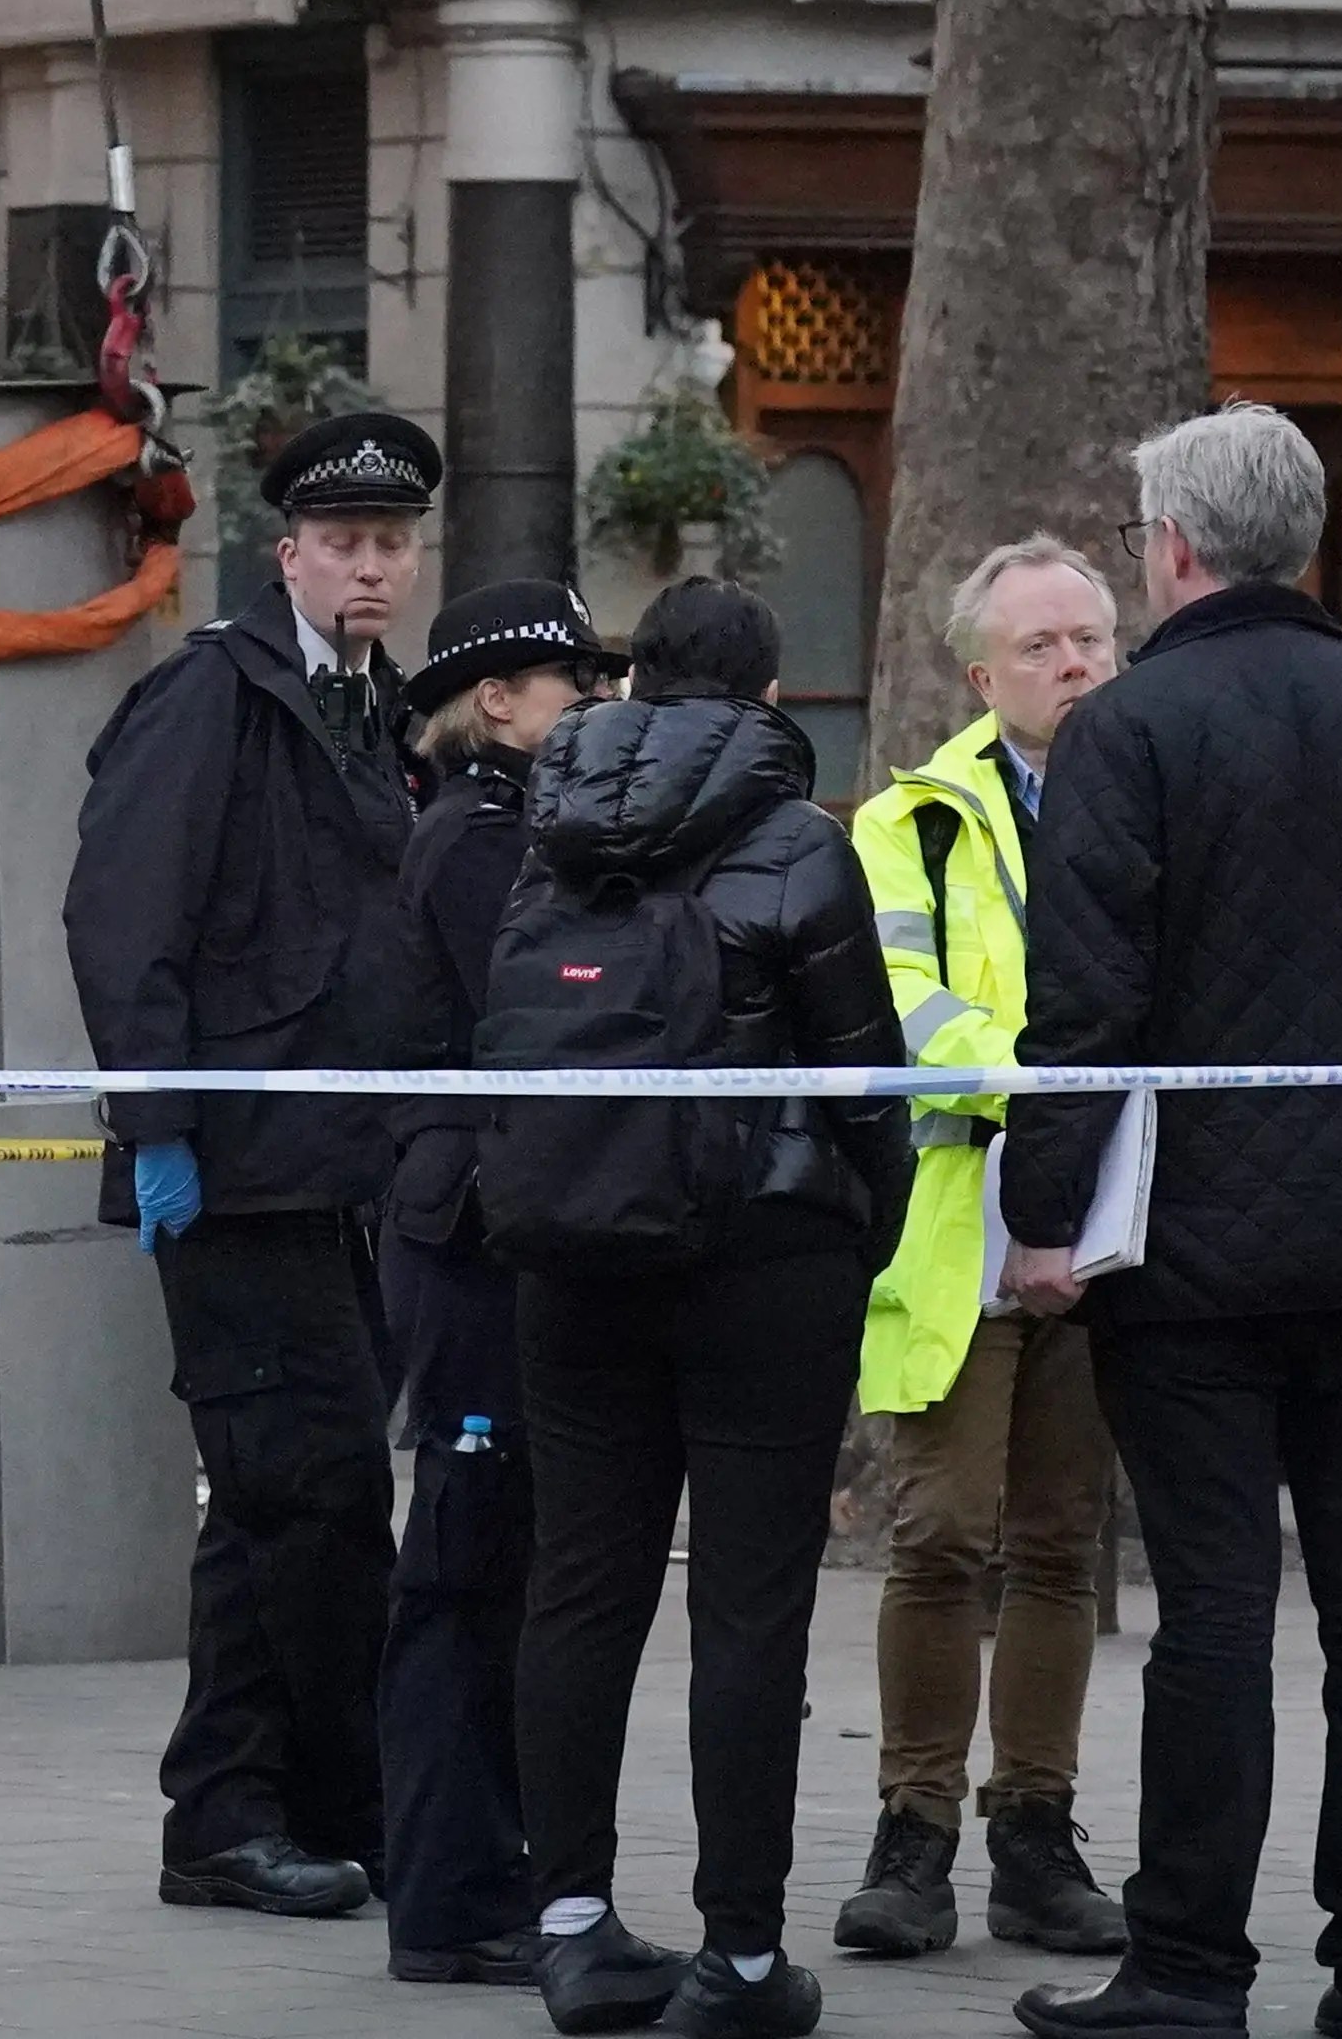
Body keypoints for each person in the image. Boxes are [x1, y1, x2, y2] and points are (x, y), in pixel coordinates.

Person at [996, 404, 1342, 2039]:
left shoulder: (1126, 732)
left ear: (1175, 548)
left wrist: (1043, 1213)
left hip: (1194, 1253)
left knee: (1214, 1621)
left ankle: (1190, 1968)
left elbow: (1085, 1003)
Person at [486, 576, 908, 2039]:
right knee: (748, 1605)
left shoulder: (548, 831)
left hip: (572, 1247)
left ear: (632, 683)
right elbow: (866, 1075)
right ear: (770, 696)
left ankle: (571, 1926)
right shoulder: (799, 842)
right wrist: (865, 1234)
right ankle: (738, 1957)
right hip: (764, 1257)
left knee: (579, 1586)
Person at [62, 409, 444, 1923]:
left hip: (344, 1167)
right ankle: (348, 1800)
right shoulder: (216, 695)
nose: (372, 567)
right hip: (240, 1167)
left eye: (392, 543)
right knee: (321, 1491)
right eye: (345, 543)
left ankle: (229, 1810)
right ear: (288, 554)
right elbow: (123, 915)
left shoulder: (383, 709)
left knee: (276, 1499)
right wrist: (158, 1125)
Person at [830, 537, 1133, 1966]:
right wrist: (1047, 1086)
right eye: (1041, 648)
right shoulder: (914, 823)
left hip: (1116, 1216)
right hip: (964, 1217)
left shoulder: (1157, 792)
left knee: (1062, 1540)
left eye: (1092, 640)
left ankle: (1036, 1831)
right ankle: (914, 1828)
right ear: (979, 676)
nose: (1074, 666)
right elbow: (901, 999)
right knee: (943, 1531)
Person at [370, 577, 624, 1989]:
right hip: (468, 1231)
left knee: (510, 1559)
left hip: (503, 1222)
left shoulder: (521, 826)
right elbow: (534, 1005)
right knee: (465, 1563)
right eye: (574, 681)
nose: (595, 700)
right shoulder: (476, 839)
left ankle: (497, 1868)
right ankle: (450, 1893)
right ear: (497, 700)